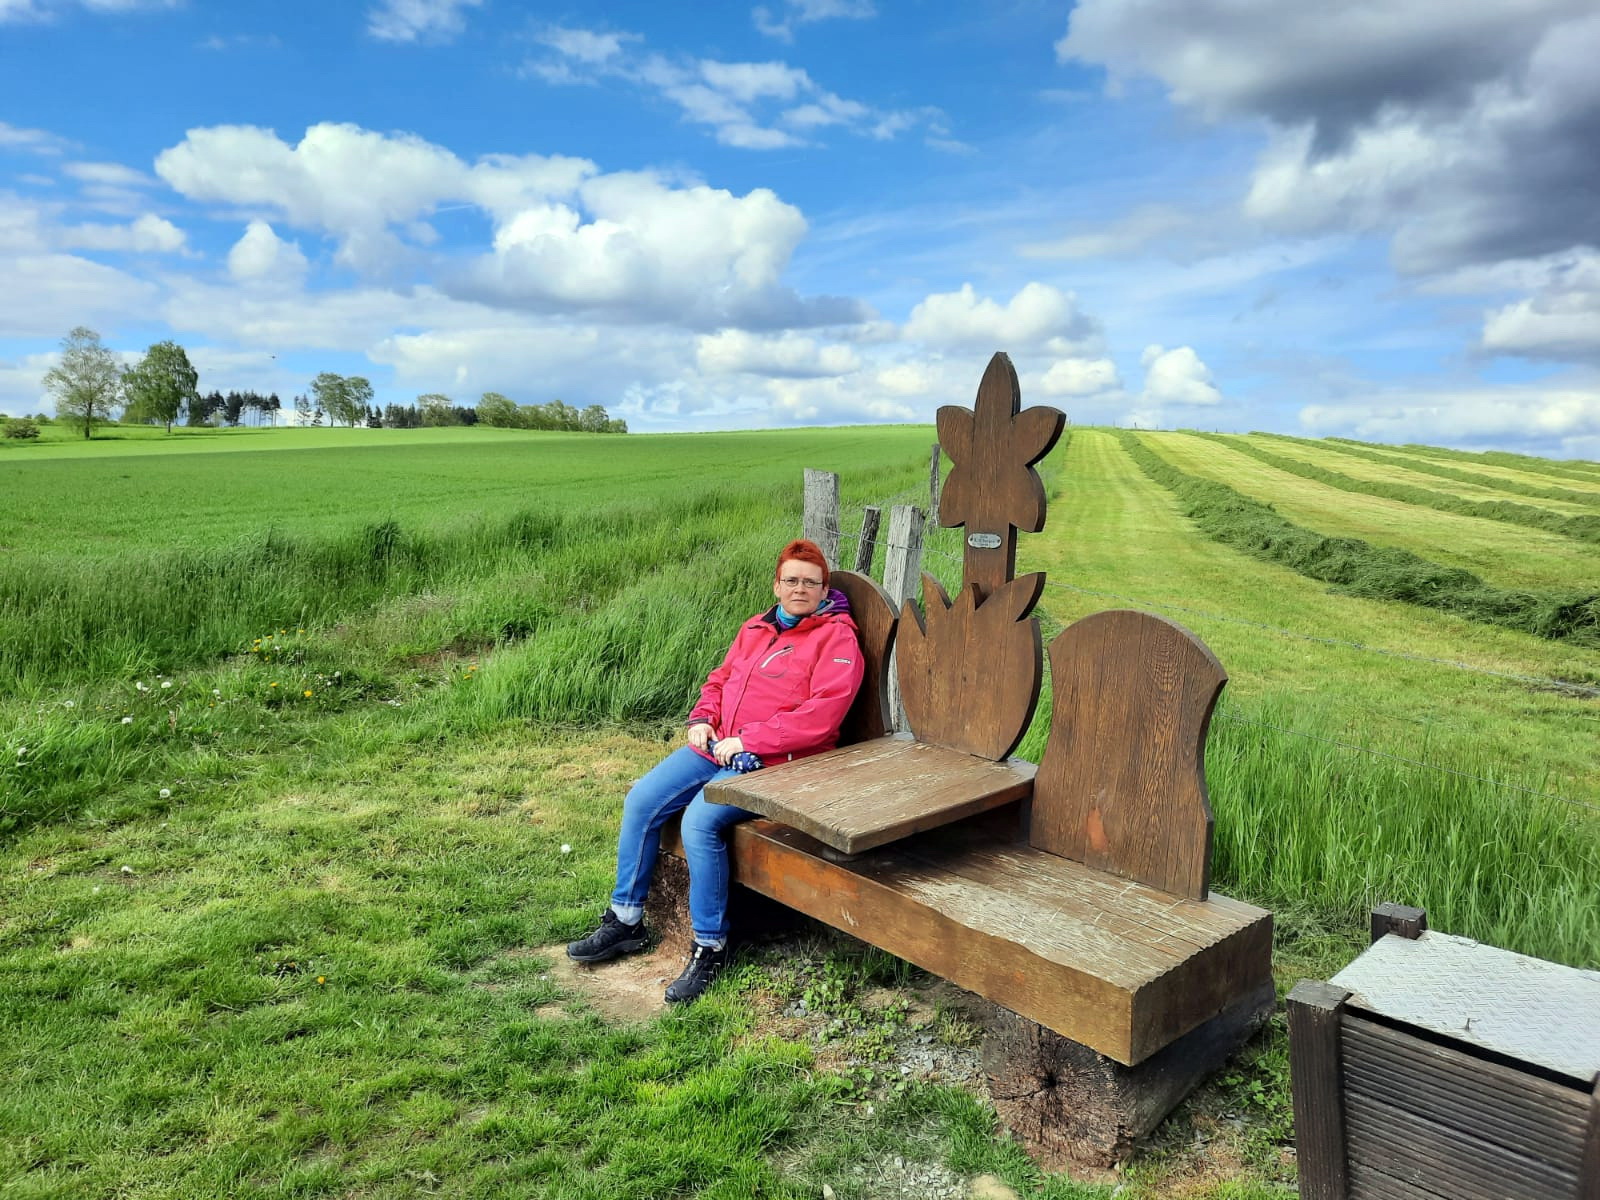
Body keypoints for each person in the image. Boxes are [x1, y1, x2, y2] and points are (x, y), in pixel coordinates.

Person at [568, 538, 865, 1002]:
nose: (800, 589)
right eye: (791, 580)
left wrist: (750, 741)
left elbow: (822, 716)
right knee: (642, 800)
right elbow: (720, 679)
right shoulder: (756, 628)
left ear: (824, 590)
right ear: (777, 585)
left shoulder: (837, 638)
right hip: (719, 745)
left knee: (700, 820)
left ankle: (710, 946)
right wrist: (703, 718)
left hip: (779, 761)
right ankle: (626, 920)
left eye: (810, 583)